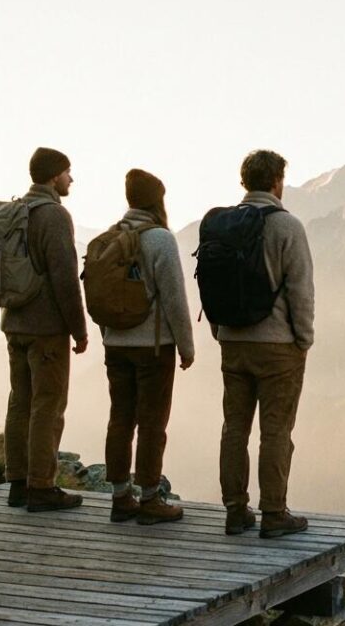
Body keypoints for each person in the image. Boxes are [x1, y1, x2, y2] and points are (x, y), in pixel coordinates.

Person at [215, 149, 315, 538]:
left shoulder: (222, 224)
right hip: (277, 347)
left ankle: (235, 510)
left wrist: (222, 331)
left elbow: (212, 283)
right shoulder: (287, 226)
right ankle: (274, 513)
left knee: (234, 428)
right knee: (276, 431)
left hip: (232, 343)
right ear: (276, 182)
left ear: (245, 182)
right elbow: (300, 290)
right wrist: (303, 339)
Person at [101, 169, 195, 525]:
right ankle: (151, 498)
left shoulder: (110, 237)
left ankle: (120, 497)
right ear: (157, 200)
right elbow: (174, 299)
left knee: (120, 418)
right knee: (152, 423)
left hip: (115, 345)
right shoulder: (160, 240)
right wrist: (186, 346)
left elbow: (99, 296)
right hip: (153, 348)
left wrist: (109, 334)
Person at [2, 146, 88, 512]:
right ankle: (41, 486)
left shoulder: (16, 210)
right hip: (46, 328)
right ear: (54, 177)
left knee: (19, 402)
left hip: (14, 322)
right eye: (68, 173)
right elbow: (65, 279)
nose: (71, 179)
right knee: (48, 405)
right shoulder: (54, 215)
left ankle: (17, 484)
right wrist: (79, 330)